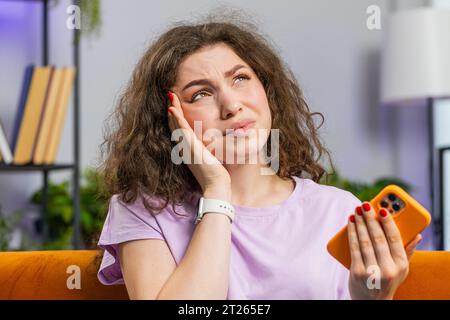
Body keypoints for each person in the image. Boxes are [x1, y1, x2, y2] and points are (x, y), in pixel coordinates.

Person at [95, 12, 422, 300]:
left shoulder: (338, 210)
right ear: (169, 119)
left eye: (240, 78)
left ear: (266, 90)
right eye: (202, 93)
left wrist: (372, 299)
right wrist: (217, 191)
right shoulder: (143, 209)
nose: (232, 105)